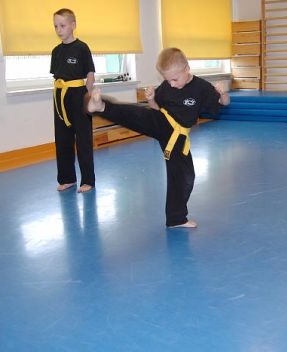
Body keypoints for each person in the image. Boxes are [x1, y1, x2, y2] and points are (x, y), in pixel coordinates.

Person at [86, 47, 230, 228]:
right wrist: (152, 99)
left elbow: (224, 104)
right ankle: (102, 107)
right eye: (167, 80)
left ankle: (176, 218)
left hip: (178, 138)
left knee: (185, 176)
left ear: (187, 68)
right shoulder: (167, 86)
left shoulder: (202, 88)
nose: (171, 84)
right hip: (164, 123)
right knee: (141, 116)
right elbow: (156, 109)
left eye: (175, 79)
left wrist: (223, 93)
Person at [51, 8, 96, 193]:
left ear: (73, 25)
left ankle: (88, 180)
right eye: (55, 26)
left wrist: (87, 98)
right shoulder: (56, 51)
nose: (58, 30)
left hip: (79, 95)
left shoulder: (82, 48)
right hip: (60, 97)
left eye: (62, 25)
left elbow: (90, 75)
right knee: (62, 139)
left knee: (83, 140)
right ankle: (67, 178)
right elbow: (57, 76)